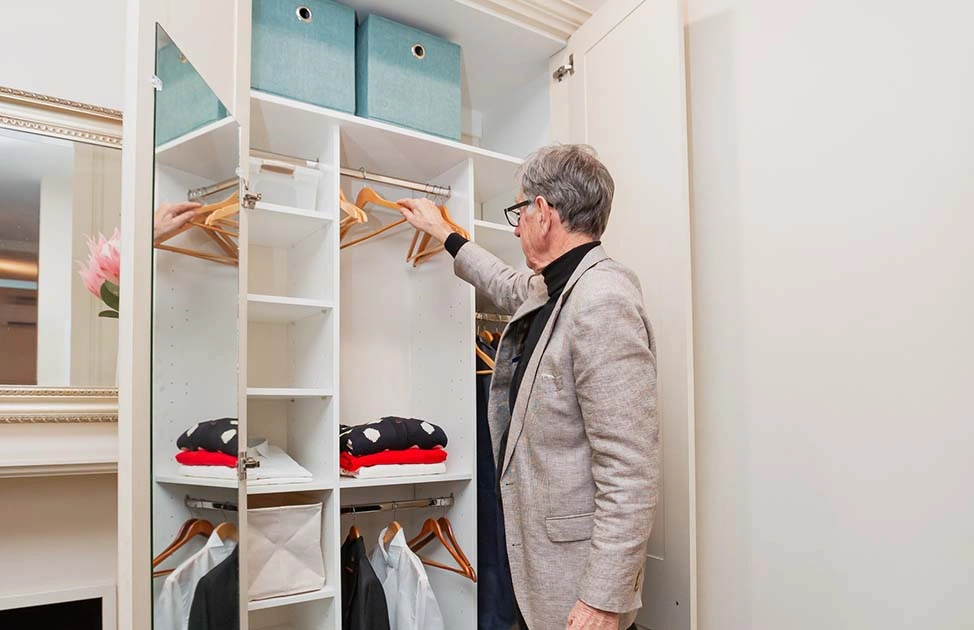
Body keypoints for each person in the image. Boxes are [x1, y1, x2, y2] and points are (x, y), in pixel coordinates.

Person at [397, 144, 659, 630]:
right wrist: (446, 235)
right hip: (537, 572)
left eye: (519, 211)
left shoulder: (603, 300)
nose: (516, 226)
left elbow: (630, 471)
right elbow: (504, 283)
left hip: (578, 585)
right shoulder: (555, 288)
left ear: (543, 212)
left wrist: (603, 600)